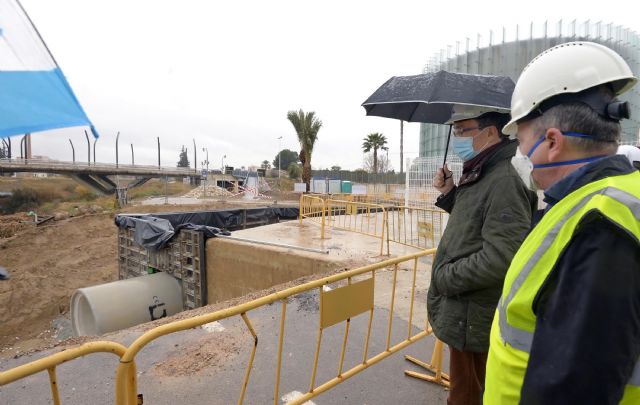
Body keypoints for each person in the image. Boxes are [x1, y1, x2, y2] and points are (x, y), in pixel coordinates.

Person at [484, 41, 640, 405]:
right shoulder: (597, 203)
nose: (519, 156)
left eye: (521, 142)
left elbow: (575, 387)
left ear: (552, 142)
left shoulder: (600, 225)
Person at [428, 104, 537, 405]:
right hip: (467, 312)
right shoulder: (485, 169)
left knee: (466, 395)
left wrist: (446, 277)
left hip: (473, 312)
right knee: (467, 389)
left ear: (490, 132)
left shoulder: (504, 177)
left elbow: (502, 256)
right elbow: (476, 221)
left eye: (463, 130)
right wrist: (451, 192)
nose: (459, 136)